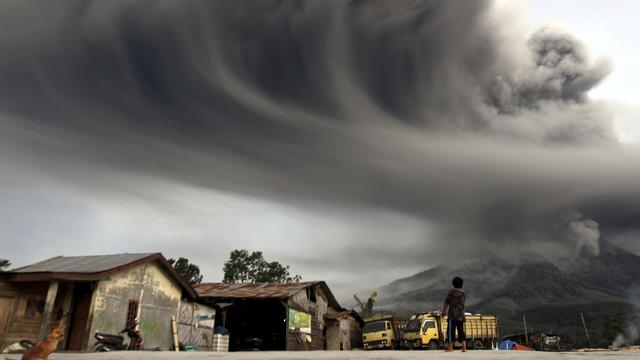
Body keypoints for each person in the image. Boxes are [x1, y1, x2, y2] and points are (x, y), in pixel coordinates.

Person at [441, 276, 466, 352]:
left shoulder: (452, 291)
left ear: (453, 284)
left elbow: (447, 302)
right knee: (461, 331)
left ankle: (450, 347)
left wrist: (443, 311)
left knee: (450, 331)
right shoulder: (463, 292)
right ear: (461, 284)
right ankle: (464, 347)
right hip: (461, 315)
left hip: (453, 315)